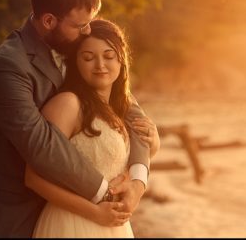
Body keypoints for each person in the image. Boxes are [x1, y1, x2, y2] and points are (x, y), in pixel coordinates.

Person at [0, 0, 157, 237]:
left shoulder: (76, 46)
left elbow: (127, 108)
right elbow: (42, 144)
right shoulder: (8, 65)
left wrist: (137, 181)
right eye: (80, 25)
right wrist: (106, 193)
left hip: (74, 212)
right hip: (14, 211)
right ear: (48, 21)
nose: (88, 31)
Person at [27, 19, 160, 237]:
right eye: (88, 57)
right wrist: (94, 213)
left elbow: (116, 162)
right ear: (75, 62)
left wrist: (153, 144)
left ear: (121, 60)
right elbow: (33, 177)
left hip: (113, 226)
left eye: (108, 56)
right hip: (72, 224)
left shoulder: (120, 108)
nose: (100, 65)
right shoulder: (68, 104)